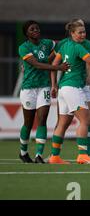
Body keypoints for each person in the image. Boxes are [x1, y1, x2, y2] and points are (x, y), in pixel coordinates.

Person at [48, 20, 90, 164]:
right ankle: (82, 154)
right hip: (73, 87)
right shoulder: (78, 47)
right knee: (85, 120)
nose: (83, 34)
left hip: (64, 88)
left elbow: (54, 65)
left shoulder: (65, 46)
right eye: (79, 32)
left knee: (63, 123)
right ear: (72, 33)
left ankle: (55, 156)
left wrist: (54, 85)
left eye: (84, 31)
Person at [18, 21, 70, 163]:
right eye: (32, 29)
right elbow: (36, 64)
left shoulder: (46, 43)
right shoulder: (24, 47)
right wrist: (58, 67)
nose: (36, 30)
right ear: (26, 33)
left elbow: (60, 44)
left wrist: (71, 33)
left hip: (44, 87)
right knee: (28, 123)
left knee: (42, 120)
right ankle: (23, 152)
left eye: (37, 28)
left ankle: (39, 155)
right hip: (29, 88)